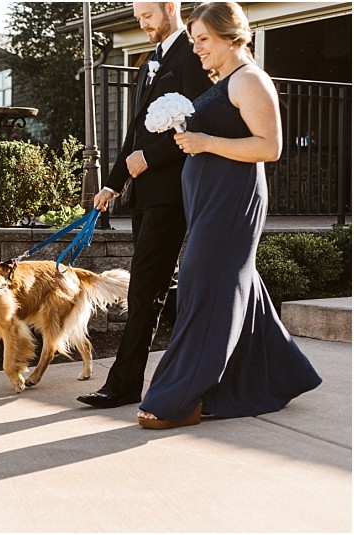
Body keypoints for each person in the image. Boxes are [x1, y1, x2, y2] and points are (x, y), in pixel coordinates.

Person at [136, 1, 322, 429]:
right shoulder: (224, 80)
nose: (197, 48)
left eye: (203, 39)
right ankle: (283, 372)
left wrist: (204, 142)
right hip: (209, 201)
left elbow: (269, 147)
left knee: (203, 287)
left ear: (231, 35)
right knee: (233, 284)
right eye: (194, 40)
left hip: (232, 202)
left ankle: (179, 398)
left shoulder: (250, 80)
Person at [77, 2, 213, 409]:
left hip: (172, 195)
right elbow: (134, 133)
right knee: (161, 289)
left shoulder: (193, 54)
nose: (142, 23)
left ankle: (123, 385)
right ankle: (223, 352)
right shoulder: (147, 63)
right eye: (138, 17)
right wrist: (112, 183)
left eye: (148, 15)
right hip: (143, 195)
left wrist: (149, 159)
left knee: (142, 290)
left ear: (170, 7)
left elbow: (198, 124)